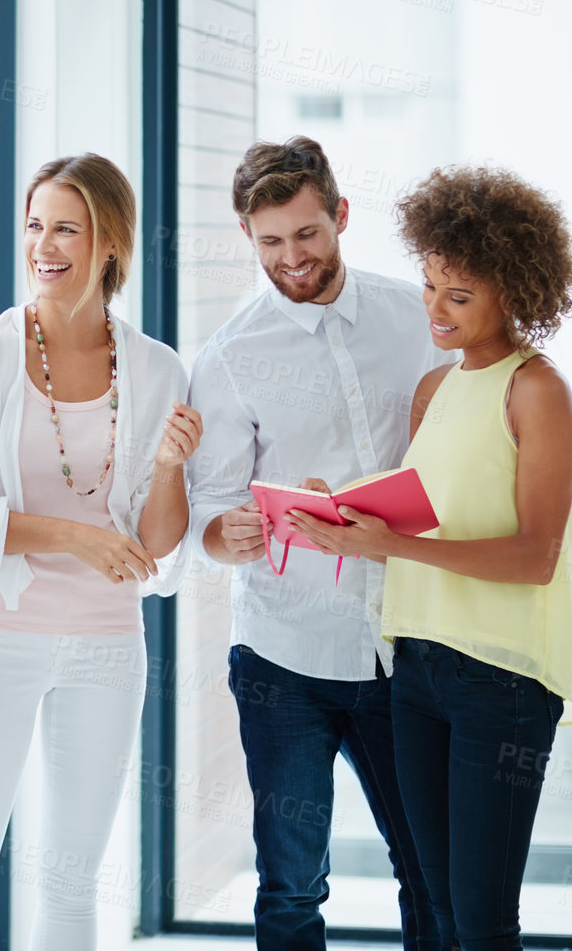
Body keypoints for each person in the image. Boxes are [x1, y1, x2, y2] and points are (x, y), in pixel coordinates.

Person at [288, 165, 572, 951]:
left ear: (513, 290)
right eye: (429, 286)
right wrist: (338, 506)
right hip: (417, 670)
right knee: (440, 912)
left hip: (502, 684)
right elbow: (419, 511)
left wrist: (386, 542)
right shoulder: (434, 391)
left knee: (485, 923)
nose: (435, 309)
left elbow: (534, 555)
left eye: (459, 295)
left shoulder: (536, 391)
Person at [0, 154, 202, 950]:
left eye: (66, 228)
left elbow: (152, 547)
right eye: (35, 225)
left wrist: (169, 468)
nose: (43, 244)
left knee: (73, 886)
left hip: (107, 647)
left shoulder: (157, 369)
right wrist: (74, 536)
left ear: (109, 242)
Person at [186, 136, 443, 951]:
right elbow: (212, 515)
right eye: (269, 242)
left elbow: (461, 462)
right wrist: (226, 533)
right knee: (291, 885)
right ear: (248, 237)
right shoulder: (229, 356)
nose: (291, 258)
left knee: (428, 871)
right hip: (282, 657)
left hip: (403, 648)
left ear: (339, 215)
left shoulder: (418, 318)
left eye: (306, 235)